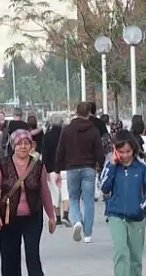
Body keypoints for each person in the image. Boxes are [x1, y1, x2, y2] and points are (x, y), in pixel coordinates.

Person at [0, 130, 56, 276]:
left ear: (31, 146)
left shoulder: (38, 166)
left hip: (33, 216)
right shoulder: (3, 165)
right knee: (9, 258)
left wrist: (51, 216)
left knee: (32, 255)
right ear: (13, 146)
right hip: (9, 218)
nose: (23, 147)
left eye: (27, 143)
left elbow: (45, 192)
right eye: (19, 144)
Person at [100, 130, 146, 276]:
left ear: (133, 149)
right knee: (121, 251)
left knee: (135, 257)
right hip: (116, 215)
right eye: (121, 152)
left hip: (136, 217)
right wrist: (112, 165)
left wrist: (142, 206)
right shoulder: (110, 165)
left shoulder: (141, 166)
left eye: (128, 151)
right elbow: (104, 187)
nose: (125, 155)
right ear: (115, 150)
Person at [55, 102, 105, 243]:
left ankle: (77, 220)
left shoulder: (67, 130)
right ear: (89, 113)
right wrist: (100, 166)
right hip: (89, 168)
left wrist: (57, 170)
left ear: (76, 112)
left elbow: (60, 151)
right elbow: (99, 152)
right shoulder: (94, 130)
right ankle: (88, 234)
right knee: (89, 201)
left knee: (73, 198)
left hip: (72, 168)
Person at [41, 114, 71, 227]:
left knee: (55, 194)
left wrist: (45, 170)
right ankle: (66, 215)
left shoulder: (47, 136)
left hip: (52, 169)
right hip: (66, 168)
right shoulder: (67, 135)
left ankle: (57, 218)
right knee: (66, 193)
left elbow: (45, 154)